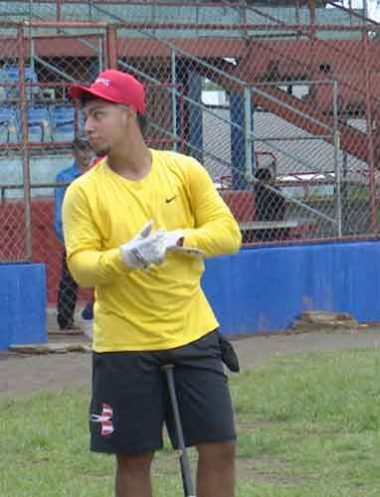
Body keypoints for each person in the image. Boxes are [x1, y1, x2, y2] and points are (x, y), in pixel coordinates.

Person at [62, 69, 243, 497]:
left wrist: (176, 240)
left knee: (219, 444)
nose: (88, 125)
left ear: (129, 114)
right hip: (124, 343)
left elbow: (228, 233)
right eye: (85, 116)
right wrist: (123, 258)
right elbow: (82, 267)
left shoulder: (183, 169)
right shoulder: (83, 192)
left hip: (193, 331)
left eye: (98, 114)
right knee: (134, 455)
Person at [54, 136, 94, 330]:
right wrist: (64, 235)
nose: (85, 154)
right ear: (74, 152)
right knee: (69, 279)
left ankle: (92, 313)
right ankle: (65, 320)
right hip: (75, 233)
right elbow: (59, 210)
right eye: (81, 149)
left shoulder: (99, 172)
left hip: (96, 231)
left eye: (88, 149)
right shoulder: (65, 177)